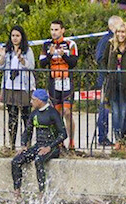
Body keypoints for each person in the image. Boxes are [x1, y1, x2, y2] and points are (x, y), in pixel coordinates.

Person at [11, 89, 67, 200]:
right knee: (16, 161)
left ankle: (42, 194)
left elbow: (63, 134)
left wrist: (49, 147)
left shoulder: (53, 113)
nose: (31, 102)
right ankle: (17, 193)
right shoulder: (34, 114)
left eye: (33, 99)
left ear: (40, 101)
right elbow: (27, 131)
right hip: (38, 146)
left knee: (38, 160)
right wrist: (23, 145)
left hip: (52, 147)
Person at [39, 20, 78, 152]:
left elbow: (74, 63)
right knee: (57, 114)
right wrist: (50, 54)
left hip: (67, 81)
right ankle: (59, 142)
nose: (54, 32)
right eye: (52, 30)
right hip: (53, 82)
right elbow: (42, 64)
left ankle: (71, 142)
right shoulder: (46, 45)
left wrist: (63, 56)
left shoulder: (70, 44)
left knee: (67, 112)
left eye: (56, 29)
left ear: (62, 30)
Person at [0, 25, 35, 150]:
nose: (15, 38)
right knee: (12, 116)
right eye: (13, 35)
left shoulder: (27, 51)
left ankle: (26, 144)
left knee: (26, 115)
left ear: (22, 37)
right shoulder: (7, 51)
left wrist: (22, 60)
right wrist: (2, 57)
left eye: (17, 36)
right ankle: (12, 144)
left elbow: (31, 67)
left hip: (23, 87)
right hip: (10, 86)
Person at [101, 21, 126, 147]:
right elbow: (103, 60)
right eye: (118, 32)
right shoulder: (110, 45)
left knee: (124, 113)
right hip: (112, 84)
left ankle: (123, 139)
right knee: (115, 113)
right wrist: (107, 73)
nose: (120, 34)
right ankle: (117, 139)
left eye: (123, 32)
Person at [95, 15, 124, 147]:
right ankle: (102, 137)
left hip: (114, 80)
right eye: (120, 25)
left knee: (115, 109)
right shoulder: (106, 40)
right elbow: (100, 58)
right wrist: (109, 71)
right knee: (105, 110)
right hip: (107, 80)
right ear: (112, 26)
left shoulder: (115, 40)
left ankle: (117, 137)